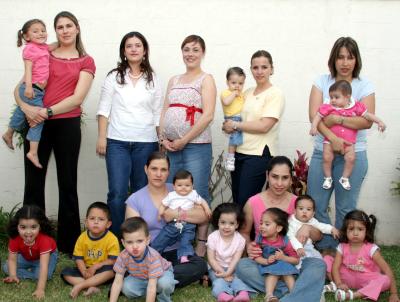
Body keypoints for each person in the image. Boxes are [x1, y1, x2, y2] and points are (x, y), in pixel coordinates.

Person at [14, 11, 96, 255]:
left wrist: (44, 112)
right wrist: (27, 108)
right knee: (33, 183)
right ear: (55, 31)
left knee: (67, 183)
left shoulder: (86, 60)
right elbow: (19, 89)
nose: (65, 30)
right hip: (36, 124)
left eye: (69, 25)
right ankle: (33, 242)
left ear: (77, 28)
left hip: (66, 124)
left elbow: (77, 98)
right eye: (59, 27)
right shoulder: (43, 52)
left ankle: (69, 244)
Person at [307, 37, 377, 250]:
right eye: (340, 57)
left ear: (356, 60)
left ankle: (343, 254)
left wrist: (338, 119)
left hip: (353, 155)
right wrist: (334, 138)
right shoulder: (321, 81)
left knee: (346, 208)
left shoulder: (364, 85)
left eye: (350, 57)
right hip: (323, 152)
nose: (345, 62)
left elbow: (367, 121)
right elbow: (314, 117)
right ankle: (328, 248)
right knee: (316, 205)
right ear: (333, 59)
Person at [96, 32, 162, 236]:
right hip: (117, 142)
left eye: (138, 45)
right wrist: (101, 137)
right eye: (129, 46)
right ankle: (116, 239)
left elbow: (158, 113)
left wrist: (160, 142)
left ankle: (139, 240)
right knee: (117, 193)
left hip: (146, 142)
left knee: (142, 192)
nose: (134, 49)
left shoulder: (154, 79)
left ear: (145, 50)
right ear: (123, 51)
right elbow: (104, 109)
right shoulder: (113, 77)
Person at [236, 156, 326, 302]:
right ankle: (304, 291)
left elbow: (318, 236)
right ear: (267, 176)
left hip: (296, 260)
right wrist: (249, 247)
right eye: (275, 177)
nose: (279, 183)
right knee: (242, 266)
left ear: (291, 179)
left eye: (284, 178)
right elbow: (245, 233)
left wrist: (308, 228)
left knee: (318, 264)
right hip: (268, 262)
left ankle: (289, 294)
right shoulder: (253, 202)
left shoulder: (299, 203)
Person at [159, 34, 216, 256]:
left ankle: (200, 242)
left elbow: (208, 114)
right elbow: (165, 110)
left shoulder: (206, 79)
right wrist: (164, 138)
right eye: (186, 49)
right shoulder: (174, 80)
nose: (190, 54)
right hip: (171, 147)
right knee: (174, 192)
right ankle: (177, 238)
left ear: (202, 53)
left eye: (195, 49)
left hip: (196, 145)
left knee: (198, 193)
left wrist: (185, 139)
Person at [125, 151, 208, 288]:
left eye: (163, 170)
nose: (158, 174)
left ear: (169, 172)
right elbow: (132, 234)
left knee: (199, 265)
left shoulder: (179, 189)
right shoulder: (135, 199)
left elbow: (203, 216)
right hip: (151, 252)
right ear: (146, 169)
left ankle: (150, 278)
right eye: (154, 169)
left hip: (178, 253)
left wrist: (175, 214)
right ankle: (160, 278)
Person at [222, 50, 285, 208]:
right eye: (255, 67)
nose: (259, 71)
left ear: (272, 69)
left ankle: (249, 233)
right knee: (237, 200)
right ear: (251, 69)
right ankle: (240, 233)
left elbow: (264, 126)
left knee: (247, 202)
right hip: (239, 152)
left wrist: (235, 125)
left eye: (264, 67)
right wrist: (227, 125)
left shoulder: (275, 94)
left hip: (258, 155)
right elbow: (235, 116)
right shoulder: (247, 92)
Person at [310, 80, 386, 191]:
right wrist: (314, 127)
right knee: (327, 157)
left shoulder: (356, 107)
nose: (333, 100)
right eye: (331, 97)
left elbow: (369, 116)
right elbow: (317, 116)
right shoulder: (328, 107)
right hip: (330, 140)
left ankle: (345, 178)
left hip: (349, 141)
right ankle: (327, 177)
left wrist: (379, 122)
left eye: (336, 97)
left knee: (351, 158)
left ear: (347, 97)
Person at [2, 19, 56, 168]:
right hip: (31, 88)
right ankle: (32, 151)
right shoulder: (30, 49)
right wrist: (28, 87)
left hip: (36, 89)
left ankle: (9, 132)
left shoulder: (43, 47)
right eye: (35, 31)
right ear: (26, 36)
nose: (41, 33)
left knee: (21, 111)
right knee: (38, 119)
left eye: (43, 30)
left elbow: (53, 45)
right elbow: (28, 68)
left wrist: (64, 40)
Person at [324, 210, 399, 302]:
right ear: (345, 230)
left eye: (360, 229)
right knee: (326, 259)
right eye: (351, 229)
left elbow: (387, 270)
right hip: (345, 277)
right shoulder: (342, 247)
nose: (355, 233)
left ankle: (354, 295)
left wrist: (394, 294)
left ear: (366, 231)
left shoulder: (372, 249)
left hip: (366, 279)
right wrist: (339, 283)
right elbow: (335, 268)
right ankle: (336, 285)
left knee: (385, 279)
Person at [60, 202, 119, 298]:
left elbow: (113, 260)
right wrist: (84, 271)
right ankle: (91, 286)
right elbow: (79, 258)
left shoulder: (112, 239)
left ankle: (81, 285)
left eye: (101, 219)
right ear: (86, 222)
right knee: (66, 272)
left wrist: (95, 267)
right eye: (92, 218)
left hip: (102, 269)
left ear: (108, 224)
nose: (96, 222)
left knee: (113, 270)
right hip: (86, 269)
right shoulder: (82, 237)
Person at [109, 217, 175, 302]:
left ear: (147, 240)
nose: (135, 246)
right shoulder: (123, 256)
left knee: (164, 284)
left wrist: (152, 288)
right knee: (126, 288)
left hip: (162, 273)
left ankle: (162, 297)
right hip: (141, 276)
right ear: (123, 243)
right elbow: (117, 282)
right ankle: (150, 293)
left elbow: (151, 285)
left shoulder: (153, 257)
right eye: (129, 242)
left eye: (139, 241)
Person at [152, 169, 212, 263]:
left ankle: (184, 256)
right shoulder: (172, 195)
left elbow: (202, 201)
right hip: (173, 224)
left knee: (186, 241)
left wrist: (207, 208)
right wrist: (160, 213)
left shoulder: (193, 194)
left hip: (188, 225)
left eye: (187, 185)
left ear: (192, 186)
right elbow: (163, 204)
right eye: (179, 185)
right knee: (162, 238)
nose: (183, 188)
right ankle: (153, 254)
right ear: (174, 186)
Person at [2, 205, 57, 299]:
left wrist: (40, 289)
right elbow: (12, 260)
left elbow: (44, 266)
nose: (28, 232)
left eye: (33, 227)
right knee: (6, 267)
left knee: (45, 275)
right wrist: (13, 275)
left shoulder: (45, 240)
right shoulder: (14, 238)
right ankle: (31, 270)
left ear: (40, 226)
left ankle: (33, 272)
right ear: (17, 227)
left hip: (46, 256)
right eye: (23, 227)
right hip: (26, 256)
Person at [207, 202, 254, 302]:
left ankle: (242, 293)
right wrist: (223, 273)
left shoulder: (240, 240)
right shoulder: (213, 237)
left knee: (238, 280)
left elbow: (236, 259)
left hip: (233, 267)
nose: (226, 227)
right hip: (216, 268)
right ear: (217, 222)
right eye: (223, 222)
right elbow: (211, 259)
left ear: (237, 224)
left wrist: (228, 272)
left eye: (231, 223)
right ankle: (223, 295)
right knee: (218, 281)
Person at [255, 208, 299, 302]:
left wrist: (284, 257)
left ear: (278, 228)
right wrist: (266, 261)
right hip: (269, 266)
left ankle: (294, 294)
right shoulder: (260, 240)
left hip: (284, 265)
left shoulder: (285, 241)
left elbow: (296, 260)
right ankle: (269, 295)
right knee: (273, 273)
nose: (262, 226)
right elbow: (256, 257)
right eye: (261, 223)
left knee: (288, 274)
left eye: (267, 224)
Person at [220, 67, 246, 171]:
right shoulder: (226, 93)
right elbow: (226, 102)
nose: (237, 86)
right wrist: (234, 94)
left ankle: (233, 156)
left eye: (240, 83)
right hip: (232, 118)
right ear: (227, 82)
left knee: (238, 139)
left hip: (241, 118)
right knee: (234, 139)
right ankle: (230, 158)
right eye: (233, 83)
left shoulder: (242, 94)